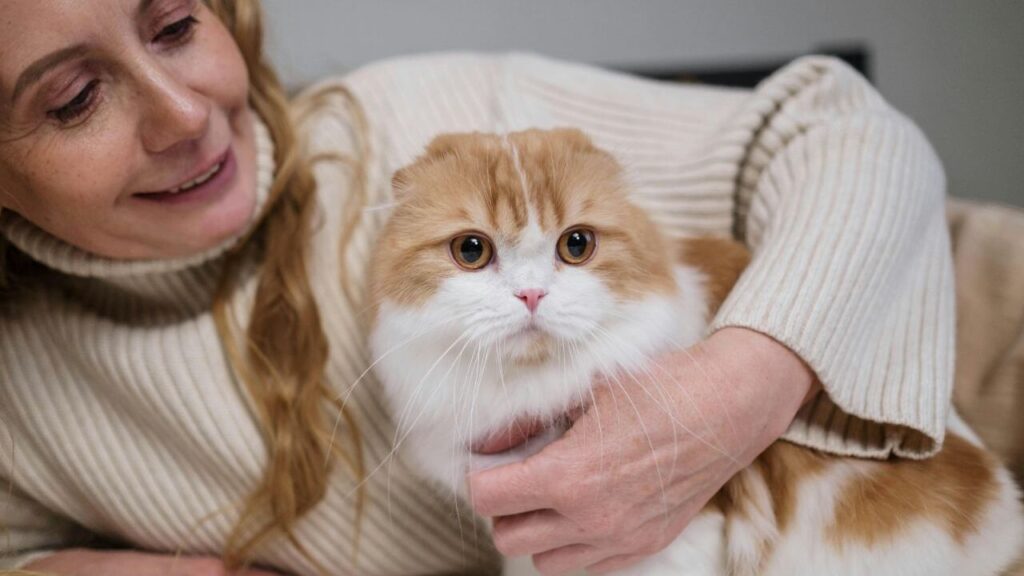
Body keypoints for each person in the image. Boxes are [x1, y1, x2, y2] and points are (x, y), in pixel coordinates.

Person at [0, 0, 953, 575]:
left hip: (912, 322)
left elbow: (851, 132)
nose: (184, 114)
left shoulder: (431, 117)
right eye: (74, 99)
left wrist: (728, 400)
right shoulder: (20, 384)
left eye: (174, 25)